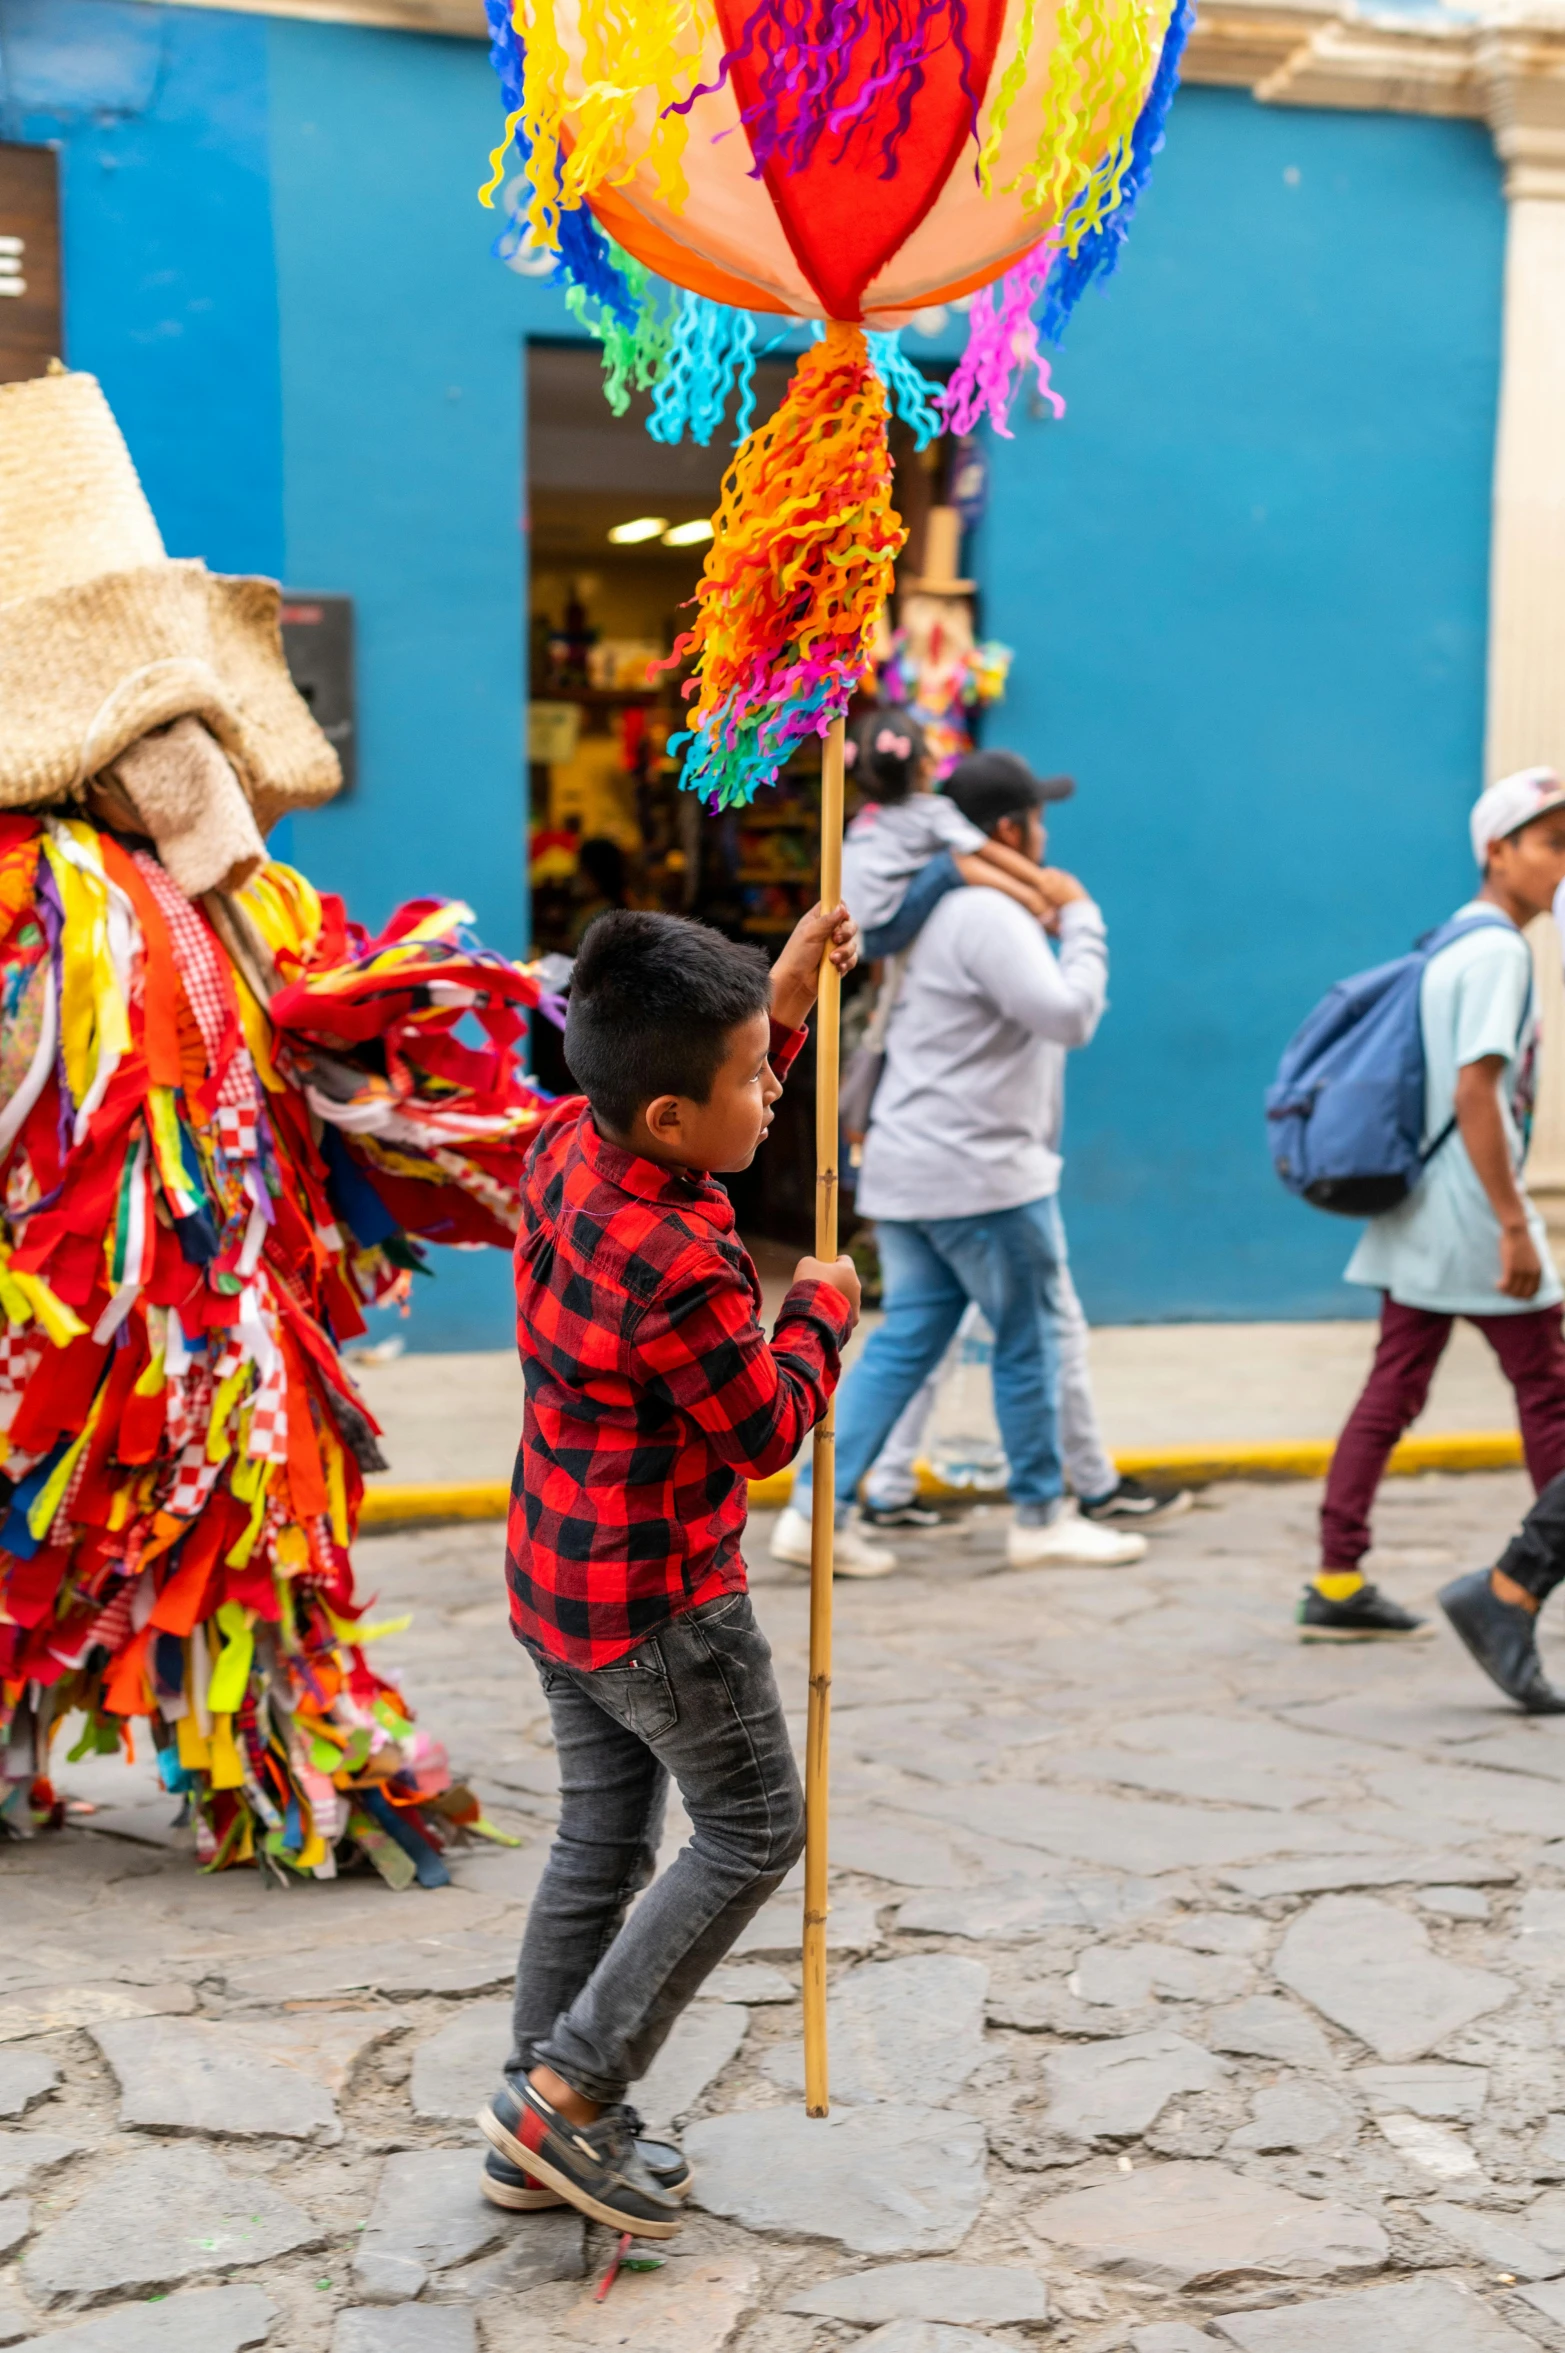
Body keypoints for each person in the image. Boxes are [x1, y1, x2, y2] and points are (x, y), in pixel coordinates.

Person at [478, 901, 861, 2239]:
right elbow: (762, 1430)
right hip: (661, 1605)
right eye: (759, 1075)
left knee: (602, 1831)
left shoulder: (565, 1143)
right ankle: (574, 2095)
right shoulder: (689, 1260)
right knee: (755, 1831)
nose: (774, 1092)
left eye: (772, 1061)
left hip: (553, 1577)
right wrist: (819, 1309)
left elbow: (713, 1100)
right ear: (666, 1118)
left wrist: (790, 996)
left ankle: (531, 2113)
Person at [772, 747, 1147, 1575]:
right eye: (1038, 817)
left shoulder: (940, 906)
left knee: (908, 1335)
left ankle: (813, 1510)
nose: (1047, 834)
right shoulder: (985, 915)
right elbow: (1067, 1013)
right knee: (1028, 1337)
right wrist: (1083, 921)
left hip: (914, 1167)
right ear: (1011, 828)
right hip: (976, 1173)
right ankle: (1041, 1515)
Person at [1303, 768, 1565, 1639]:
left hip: (1422, 1210)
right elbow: (1475, 1094)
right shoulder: (1496, 951)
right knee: (1549, 1390)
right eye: (1551, 844)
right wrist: (1511, 1221)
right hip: (1470, 1217)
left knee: (1392, 1387)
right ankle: (1533, 1576)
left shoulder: (1451, 939)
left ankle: (1336, 1576)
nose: (1562, 864)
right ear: (1497, 851)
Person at [860, 1283, 1193, 1532]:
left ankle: (881, 1491)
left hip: (909, 1206)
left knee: (921, 1343)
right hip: (989, 1209)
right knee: (1053, 1335)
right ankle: (1051, 1511)